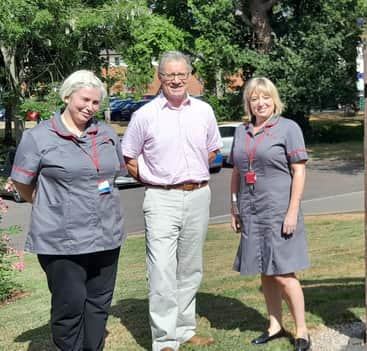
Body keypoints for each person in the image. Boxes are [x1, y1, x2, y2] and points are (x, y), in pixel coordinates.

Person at [11, 69, 126, 351]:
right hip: (62, 240)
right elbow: (21, 182)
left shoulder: (107, 134)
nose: (89, 107)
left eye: (96, 103)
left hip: (106, 235)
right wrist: (47, 203)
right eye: (84, 100)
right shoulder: (38, 137)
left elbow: (114, 174)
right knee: (70, 306)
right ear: (67, 96)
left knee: (98, 305)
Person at [121, 51, 222, 351]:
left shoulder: (204, 111)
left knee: (190, 269)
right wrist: (157, 178)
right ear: (160, 78)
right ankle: (165, 339)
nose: (176, 80)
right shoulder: (145, 116)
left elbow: (214, 150)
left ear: (190, 76)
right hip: (161, 199)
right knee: (162, 269)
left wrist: (189, 168)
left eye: (182, 74)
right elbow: (129, 157)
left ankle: (184, 329)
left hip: (198, 196)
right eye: (170, 75)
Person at [229, 77, 311, 351]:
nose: (260, 103)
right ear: (248, 103)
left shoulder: (288, 128)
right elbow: (238, 172)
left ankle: (302, 330)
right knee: (264, 269)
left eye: (265, 97)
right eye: (254, 98)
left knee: (284, 272)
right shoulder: (242, 131)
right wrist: (234, 205)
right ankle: (274, 324)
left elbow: (299, 171)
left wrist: (292, 211)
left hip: (278, 210)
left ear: (274, 99)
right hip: (251, 211)